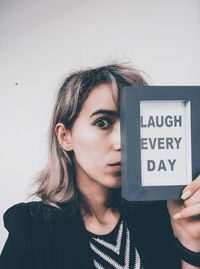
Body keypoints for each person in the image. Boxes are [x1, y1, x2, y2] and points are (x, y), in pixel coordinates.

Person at [0, 64, 200, 269]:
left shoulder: (167, 213)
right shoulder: (32, 228)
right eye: (103, 123)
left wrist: (191, 242)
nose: (122, 143)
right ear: (64, 136)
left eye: (134, 124)